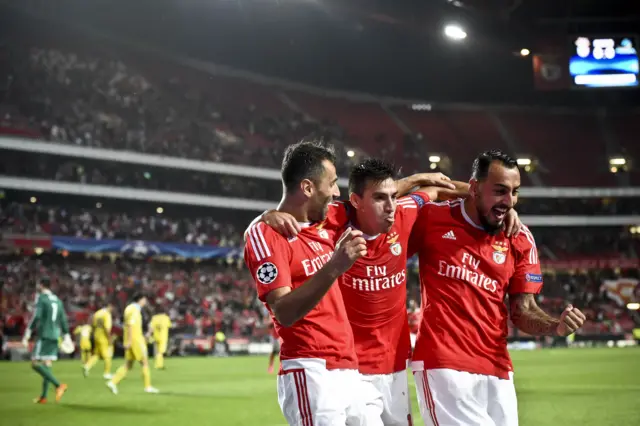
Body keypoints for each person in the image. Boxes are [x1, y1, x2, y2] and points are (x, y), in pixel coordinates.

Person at [255, 158, 516, 425]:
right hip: (354, 369)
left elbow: (436, 190)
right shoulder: (333, 223)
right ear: (356, 202)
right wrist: (267, 215)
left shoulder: (406, 211)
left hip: (395, 368)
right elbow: (291, 217)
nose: (390, 207)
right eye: (381, 199)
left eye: (392, 197)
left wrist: (498, 206)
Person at [407, 149, 586, 426]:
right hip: (442, 362)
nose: (509, 201)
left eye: (514, 192)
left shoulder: (520, 238)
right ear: (475, 188)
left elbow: (523, 310)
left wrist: (556, 327)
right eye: (500, 191)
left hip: (497, 367)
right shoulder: (432, 219)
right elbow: (385, 209)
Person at [243, 140, 370, 425]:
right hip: (311, 370)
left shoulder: (326, 221)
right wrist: (335, 266)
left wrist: (420, 180)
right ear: (308, 188)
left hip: (348, 368)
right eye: (333, 183)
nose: (337, 192)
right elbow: (284, 312)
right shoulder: (267, 234)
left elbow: (376, 199)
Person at [22, 277, 70, 404]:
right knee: (46, 365)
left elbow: (36, 316)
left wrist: (28, 332)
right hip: (55, 335)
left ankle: (58, 385)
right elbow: (63, 319)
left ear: (42, 285)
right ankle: (43, 396)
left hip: (44, 335)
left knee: (35, 363)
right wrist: (66, 335)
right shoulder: (58, 301)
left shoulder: (41, 298)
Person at [106, 293, 159, 394]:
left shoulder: (129, 308)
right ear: (140, 299)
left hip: (131, 339)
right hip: (135, 340)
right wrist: (130, 341)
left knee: (128, 365)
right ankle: (148, 387)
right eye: (144, 300)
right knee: (144, 362)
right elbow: (130, 324)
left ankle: (113, 382)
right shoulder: (134, 310)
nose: (145, 302)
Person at [83, 302, 114, 379]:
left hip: (96, 335)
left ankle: (87, 366)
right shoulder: (107, 314)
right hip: (103, 337)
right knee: (108, 355)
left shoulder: (97, 313)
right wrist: (109, 338)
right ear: (109, 306)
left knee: (97, 354)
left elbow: (93, 325)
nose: (113, 309)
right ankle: (107, 373)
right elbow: (107, 328)